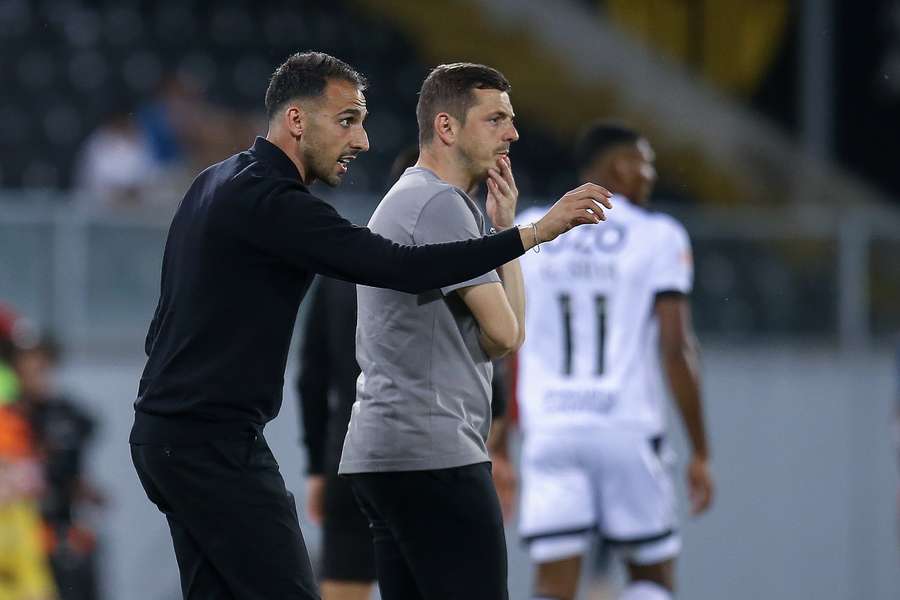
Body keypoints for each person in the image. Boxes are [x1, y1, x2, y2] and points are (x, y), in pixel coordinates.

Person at [129, 51, 611, 600]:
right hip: (211, 443)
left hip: (170, 434)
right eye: (347, 121)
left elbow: (161, 319)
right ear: (296, 121)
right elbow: (402, 267)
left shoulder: (215, 181)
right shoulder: (275, 203)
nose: (361, 140)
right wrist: (532, 233)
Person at [338, 63, 610, 600]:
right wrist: (533, 234)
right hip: (435, 453)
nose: (512, 133)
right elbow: (507, 337)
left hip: (388, 454)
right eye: (496, 119)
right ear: (447, 127)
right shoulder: (437, 204)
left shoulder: (422, 200)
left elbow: (500, 336)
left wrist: (505, 230)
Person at [515, 122, 714, 600]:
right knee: (651, 579)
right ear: (620, 166)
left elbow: (510, 339)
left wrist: (500, 439)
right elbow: (675, 346)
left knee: (552, 587)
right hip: (626, 427)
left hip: (550, 427)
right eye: (645, 164)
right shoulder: (658, 235)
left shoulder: (532, 228)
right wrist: (701, 450)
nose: (650, 176)